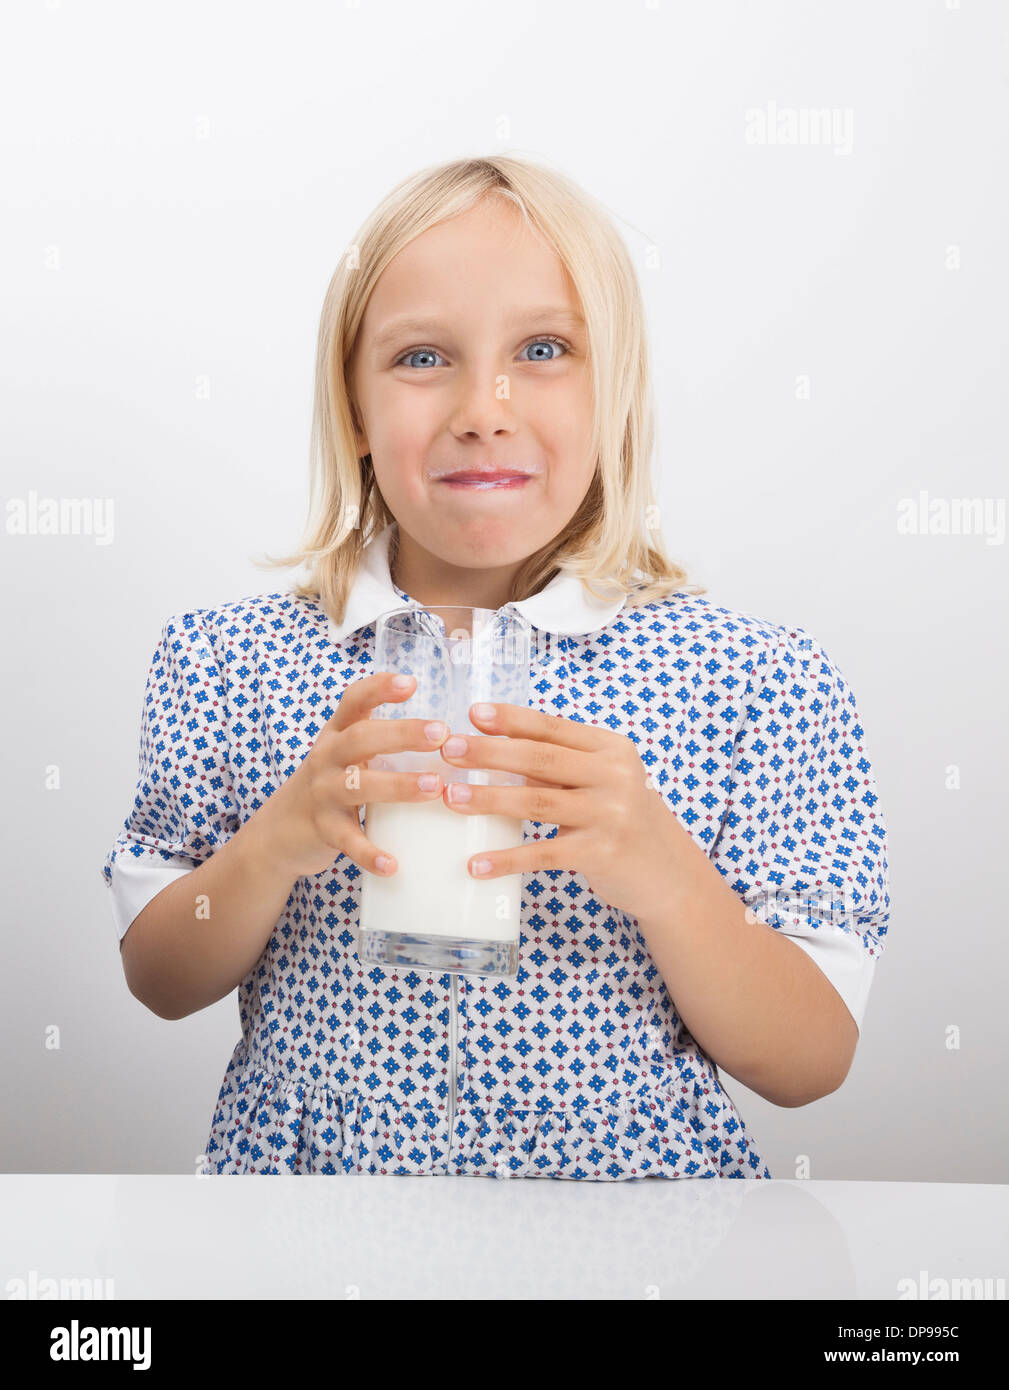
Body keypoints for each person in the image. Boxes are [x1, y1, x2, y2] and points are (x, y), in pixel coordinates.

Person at [101, 155, 890, 1179]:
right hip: (308, 1219)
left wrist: (668, 877)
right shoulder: (227, 661)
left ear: (616, 395)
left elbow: (809, 1057)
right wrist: (276, 843)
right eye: (422, 357)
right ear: (351, 405)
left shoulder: (754, 681)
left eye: (546, 348)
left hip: (627, 1224)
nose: (484, 404)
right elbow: (161, 975)